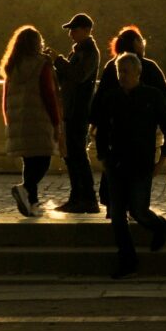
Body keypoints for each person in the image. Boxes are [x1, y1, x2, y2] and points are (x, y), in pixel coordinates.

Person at [89, 30, 166, 279]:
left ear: (137, 73)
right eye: (120, 73)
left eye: (125, 73)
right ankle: (127, 259)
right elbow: (102, 128)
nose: (122, 77)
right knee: (117, 214)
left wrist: (163, 158)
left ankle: (159, 226)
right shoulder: (113, 98)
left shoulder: (150, 96)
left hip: (140, 162)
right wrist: (104, 156)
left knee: (138, 210)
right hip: (116, 162)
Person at [0, 25, 62, 217]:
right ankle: (25, 189)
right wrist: (56, 121)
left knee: (29, 161)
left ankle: (32, 203)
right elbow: (48, 95)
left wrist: (8, 118)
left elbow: (5, 96)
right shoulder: (42, 64)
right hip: (39, 119)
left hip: (20, 120)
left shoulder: (12, 65)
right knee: (43, 161)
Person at [52, 13, 102, 214]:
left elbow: (79, 75)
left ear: (86, 30)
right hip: (72, 109)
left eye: (74, 29)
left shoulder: (89, 51)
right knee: (71, 155)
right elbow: (69, 76)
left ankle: (88, 199)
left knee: (78, 155)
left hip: (79, 111)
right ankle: (77, 197)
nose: (70, 33)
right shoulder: (80, 51)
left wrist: (58, 60)